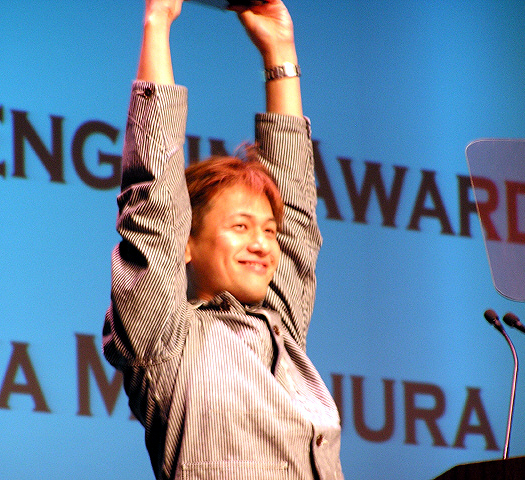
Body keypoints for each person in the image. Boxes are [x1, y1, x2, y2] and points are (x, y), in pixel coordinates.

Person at [102, 0, 344, 478]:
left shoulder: (279, 325)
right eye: (240, 227)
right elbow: (154, 195)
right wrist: (158, 22)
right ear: (185, 244)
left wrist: (280, 51)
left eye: (269, 231)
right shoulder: (167, 340)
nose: (263, 244)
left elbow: (295, 204)